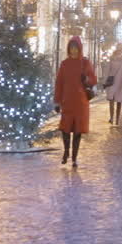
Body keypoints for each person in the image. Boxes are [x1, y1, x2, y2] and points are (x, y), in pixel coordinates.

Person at [53, 36, 96, 167]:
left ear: (79, 48)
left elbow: (93, 80)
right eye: (71, 48)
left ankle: (74, 158)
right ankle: (66, 151)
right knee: (65, 130)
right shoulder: (64, 64)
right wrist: (57, 101)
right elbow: (59, 83)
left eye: (75, 48)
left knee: (77, 132)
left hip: (80, 102)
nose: (73, 50)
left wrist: (86, 80)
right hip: (67, 101)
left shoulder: (85, 63)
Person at [103, 43, 122, 124]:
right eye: (118, 47)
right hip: (112, 81)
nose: (119, 49)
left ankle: (117, 119)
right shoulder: (112, 57)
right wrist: (105, 80)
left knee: (119, 101)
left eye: (120, 48)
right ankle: (111, 118)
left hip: (120, 82)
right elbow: (107, 69)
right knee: (111, 99)